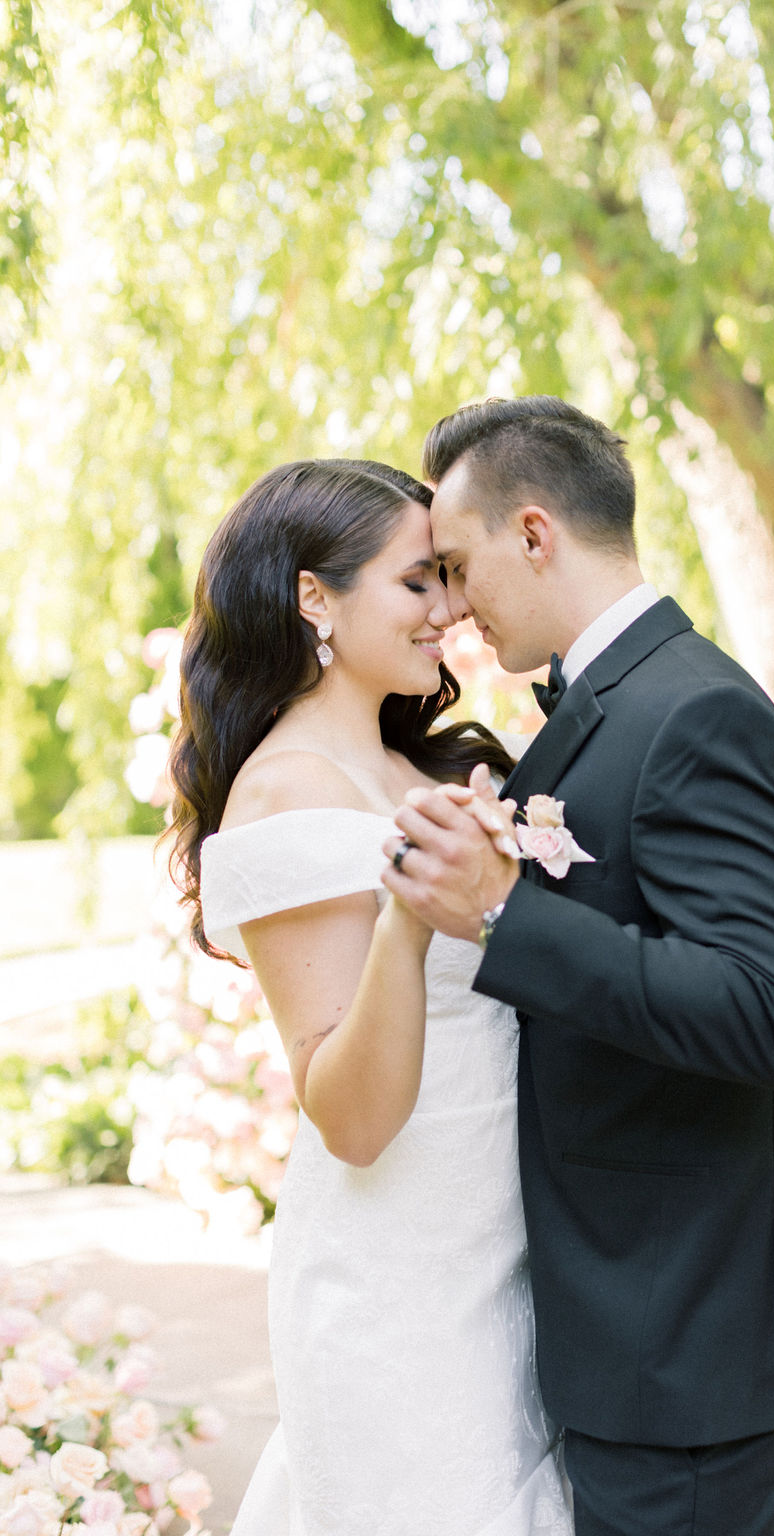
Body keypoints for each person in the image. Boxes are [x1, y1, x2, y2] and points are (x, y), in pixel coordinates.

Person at [382, 397, 774, 1536]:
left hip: (694, 1358)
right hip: (640, 1343)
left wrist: (503, 910)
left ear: (534, 532)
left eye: (455, 564)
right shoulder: (606, 708)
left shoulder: (694, 713)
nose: (449, 608)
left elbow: (763, 1010)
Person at [167, 458, 574, 1536]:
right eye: (416, 583)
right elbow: (346, 1117)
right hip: (397, 1278)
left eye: (447, 576)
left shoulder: (416, 769)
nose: (449, 609)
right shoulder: (286, 792)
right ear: (315, 598)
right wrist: (410, 910)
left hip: (502, 1252)